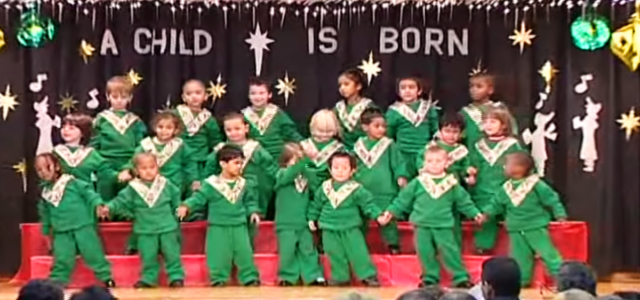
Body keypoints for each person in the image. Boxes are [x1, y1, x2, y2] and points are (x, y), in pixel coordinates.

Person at [381, 146, 481, 288]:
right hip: (422, 224)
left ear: (446, 163)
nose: (433, 164)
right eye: (430, 161)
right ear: (424, 163)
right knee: (425, 252)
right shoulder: (418, 182)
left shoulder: (451, 183)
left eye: (438, 161)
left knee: (450, 251)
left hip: (443, 224)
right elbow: (402, 199)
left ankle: (460, 277)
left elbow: (464, 201)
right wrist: (391, 212)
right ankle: (429, 278)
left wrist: (475, 213)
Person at [177, 145, 261, 287]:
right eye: (236, 163)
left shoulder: (243, 183)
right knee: (217, 254)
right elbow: (199, 198)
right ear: (223, 164)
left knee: (244, 253)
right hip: (218, 225)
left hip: (239, 224)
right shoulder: (211, 184)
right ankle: (218, 279)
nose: (239, 166)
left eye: (241, 163)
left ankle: (249, 277)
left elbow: (250, 201)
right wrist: (186, 206)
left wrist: (253, 212)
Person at [101, 153, 185, 288]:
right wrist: (109, 208)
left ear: (157, 167)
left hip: (167, 227)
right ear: (136, 171)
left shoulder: (165, 183)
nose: (148, 171)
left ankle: (176, 277)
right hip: (145, 229)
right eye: (144, 168)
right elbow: (120, 201)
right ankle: (148, 278)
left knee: (172, 254)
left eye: (152, 167)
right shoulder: (133, 188)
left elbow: (176, 198)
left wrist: (180, 209)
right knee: (148, 256)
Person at [483, 152, 567, 287]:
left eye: (507, 164)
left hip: (535, 227)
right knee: (519, 258)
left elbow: (552, 199)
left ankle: (562, 279)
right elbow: (496, 204)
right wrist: (486, 214)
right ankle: (521, 282)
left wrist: (560, 214)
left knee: (549, 255)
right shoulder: (506, 188)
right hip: (515, 228)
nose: (504, 167)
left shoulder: (536, 184)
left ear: (519, 168)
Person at [35, 153, 114, 288]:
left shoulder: (72, 182)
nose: (44, 172)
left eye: (47, 167)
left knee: (93, 252)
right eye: (39, 170)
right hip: (61, 230)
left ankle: (106, 277)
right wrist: (46, 230)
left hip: (82, 225)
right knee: (61, 257)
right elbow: (45, 213)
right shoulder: (45, 192)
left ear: (57, 167)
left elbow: (89, 194)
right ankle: (58, 280)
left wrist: (98, 205)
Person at [307, 152, 385, 287]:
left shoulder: (357, 189)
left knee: (358, 252)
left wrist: (378, 215)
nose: (340, 171)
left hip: (350, 227)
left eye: (344, 168)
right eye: (336, 168)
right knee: (334, 254)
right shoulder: (324, 187)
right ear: (330, 169)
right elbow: (316, 204)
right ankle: (340, 277)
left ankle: (367, 275)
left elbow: (368, 204)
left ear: (352, 171)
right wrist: (312, 218)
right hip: (328, 228)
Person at [203, 112, 278, 224]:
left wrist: (280, 180)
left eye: (237, 129)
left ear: (246, 128)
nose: (233, 133)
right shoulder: (220, 149)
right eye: (229, 130)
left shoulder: (255, 148)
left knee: (253, 218)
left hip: (251, 189)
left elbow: (270, 167)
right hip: (226, 189)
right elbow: (210, 168)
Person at [353, 107, 408, 254]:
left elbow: (398, 163)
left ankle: (393, 245)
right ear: (365, 127)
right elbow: (353, 165)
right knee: (360, 219)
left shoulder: (389, 145)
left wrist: (401, 176)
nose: (381, 130)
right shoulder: (358, 146)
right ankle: (359, 245)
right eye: (377, 126)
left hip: (385, 189)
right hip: (362, 188)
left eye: (384, 126)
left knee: (387, 218)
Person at [469, 107, 523, 254]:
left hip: (506, 189)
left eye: (493, 121)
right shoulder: (478, 145)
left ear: (504, 125)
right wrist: (470, 173)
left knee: (517, 217)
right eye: (485, 122)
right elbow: (472, 163)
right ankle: (483, 247)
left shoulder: (512, 144)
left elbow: (522, 163)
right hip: (484, 190)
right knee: (487, 217)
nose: (488, 125)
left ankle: (525, 246)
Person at [416, 112, 475, 246]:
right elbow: (420, 160)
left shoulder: (462, 150)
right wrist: (424, 168)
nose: (451, 135)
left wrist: (468, 173)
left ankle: (454, 247)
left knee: (454, 217)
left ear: (461, 133)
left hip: (453, 187)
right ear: (440, 131)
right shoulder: (431, 147)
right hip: (432, 186)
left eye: (455, 132)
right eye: (447, 131)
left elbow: (465, 167)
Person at [274, 143, 325, 286]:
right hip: (286, 223)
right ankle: (288, 277)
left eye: (299, 160)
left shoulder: (305, 174)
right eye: (294, 160)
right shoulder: (281, 174)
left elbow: (315, 180)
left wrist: (310, 161)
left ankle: (313, 276)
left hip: (303, 223)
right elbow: (290, 174)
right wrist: (303, 160)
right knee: (287, 252)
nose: (298, 163)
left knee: (308, 250)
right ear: (285, 161)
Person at [91, 76, 147, 200]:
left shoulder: (136, 122)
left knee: (127, 201)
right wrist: (101, 166)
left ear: (130, 98)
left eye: (123, 97)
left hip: (128, 164)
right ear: (107, 96)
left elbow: (141, 147)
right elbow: (94, 146)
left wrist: (129, 168)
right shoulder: (101, 120)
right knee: (105, 201)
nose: (119, 101)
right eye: (115, 97)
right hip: (105, 165)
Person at [385, 76, 439, 177]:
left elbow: (435, 129)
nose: (407, 90)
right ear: (398, 92)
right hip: (402, 154)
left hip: (425, 153)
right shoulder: (393, 111)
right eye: (403, 88)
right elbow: (389, 135)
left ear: (419, 91)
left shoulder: (428, 108)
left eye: (411, 87)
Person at [242, 77, 303, 160]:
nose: (257, 97)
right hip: (255, 158)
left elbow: (291, 133)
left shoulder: (277, 113)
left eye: (261, 93)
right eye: (253, 93)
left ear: (269, 95)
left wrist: (305, 145)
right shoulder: (243, 115)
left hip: (279, 157)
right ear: (248, 96)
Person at [173, 79, 223, 181]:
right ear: (183, 97)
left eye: (198, 93)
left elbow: (215, 140)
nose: (193, 96)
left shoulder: (209, 119)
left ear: (205, 96)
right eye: (189, 94)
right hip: (179, 159)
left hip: (201, 161)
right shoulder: (175, 114)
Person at [53, 113, 118, 188]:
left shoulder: (90, 153)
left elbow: (107, 172)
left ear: (82, 133)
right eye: (63, 127)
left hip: (85, 195)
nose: (66, 130)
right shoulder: (56, 152)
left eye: (71, 128)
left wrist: (123, 175)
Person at [459, 73, 518, 149]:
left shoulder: (500, 109)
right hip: (474, 153)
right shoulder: (464, 113)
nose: (474, 90)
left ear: (490, 90)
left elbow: (512, 131)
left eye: (479, 86)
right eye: (471, 86)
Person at [301, 109, 345, 192]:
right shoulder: (303, 146)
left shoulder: (339, 149)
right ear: (312, 127)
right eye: (320, 131)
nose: (324, 135)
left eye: (329, 131)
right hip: (304, 189)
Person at [334, 69, 378, 150]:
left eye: (346, 84)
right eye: (340, 85)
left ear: (358, 86)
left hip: (365, 149)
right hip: (342, 151)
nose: (342, 88)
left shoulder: (368, 106)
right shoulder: (338, 108)